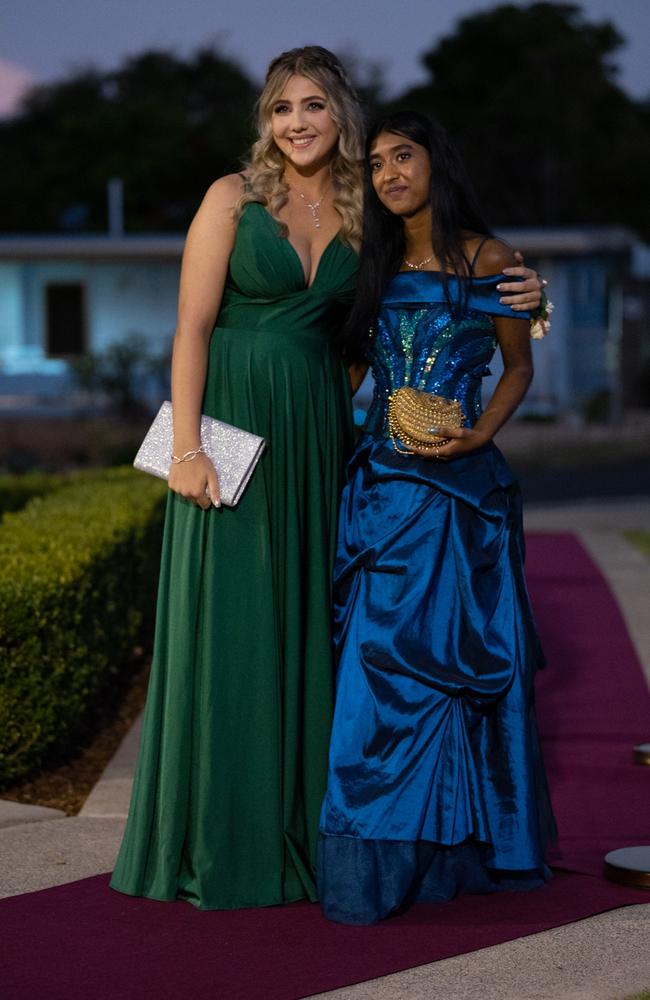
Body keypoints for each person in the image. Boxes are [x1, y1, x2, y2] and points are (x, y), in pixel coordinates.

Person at [111, 50, 544, 911]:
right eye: (281, 109)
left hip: (318, 432)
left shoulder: (364, 216)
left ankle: (310, 834)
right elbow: (191, 329)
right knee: (233, 625)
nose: (297, 123)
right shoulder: (229, 198)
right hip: (231, 420)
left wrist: (535, 293)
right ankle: (219, 837)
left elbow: (439, 279)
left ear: (342, 114)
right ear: (265, 122)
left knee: (311, 626)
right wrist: (188, 445)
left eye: (313, 105)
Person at [318, 111, 556, 925]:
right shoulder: (372, 263)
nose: (388, 174)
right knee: (372, 673)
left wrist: (478, 435)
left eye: (402, 157)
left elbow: (518, 367)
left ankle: (452, 859)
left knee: (453, 677)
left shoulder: (492, 258)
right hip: (379, 491)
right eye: (377, 163)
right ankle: (368, 865)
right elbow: (346, 374)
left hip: (458, 496)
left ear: (434, 162)